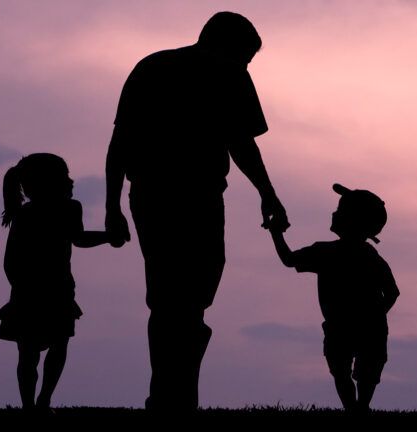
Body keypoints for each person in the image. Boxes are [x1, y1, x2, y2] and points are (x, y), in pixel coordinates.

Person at [104, 12, 288, 411]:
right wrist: (111, 206)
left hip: (205, 196)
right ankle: (170, 396)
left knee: (194, 299)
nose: (245, 68)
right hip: (157, 194)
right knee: (170, 298)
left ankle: (177, 392)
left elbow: (242, 143)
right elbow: (121, 140)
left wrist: (268, 193)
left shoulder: (233, 77)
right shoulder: (153, 69)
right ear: (219, 44)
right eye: (242, 58)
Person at [268, 183, 399, 412]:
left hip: (345, 326)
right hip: (365, 326)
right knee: (355, 370)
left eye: (340, 211)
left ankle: (355, 408)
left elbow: (289, 259)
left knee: (345, 369)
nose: (334, 213)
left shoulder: (327, 252)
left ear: (353, 221)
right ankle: (358, 407)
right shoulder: (368, 256)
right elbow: (392, 292)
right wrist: (376, 315)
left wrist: (275, 233)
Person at [0, 153, 112, 411]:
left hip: (51, 290)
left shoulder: (66, 209)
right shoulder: (30, 214)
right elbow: (11, 260)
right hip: (37, 291)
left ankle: (41, 400)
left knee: (45, 348)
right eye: (64, 177)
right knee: (35, 352)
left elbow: (78, 238)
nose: (70, 182)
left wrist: (106, 237)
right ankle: (33, 404)